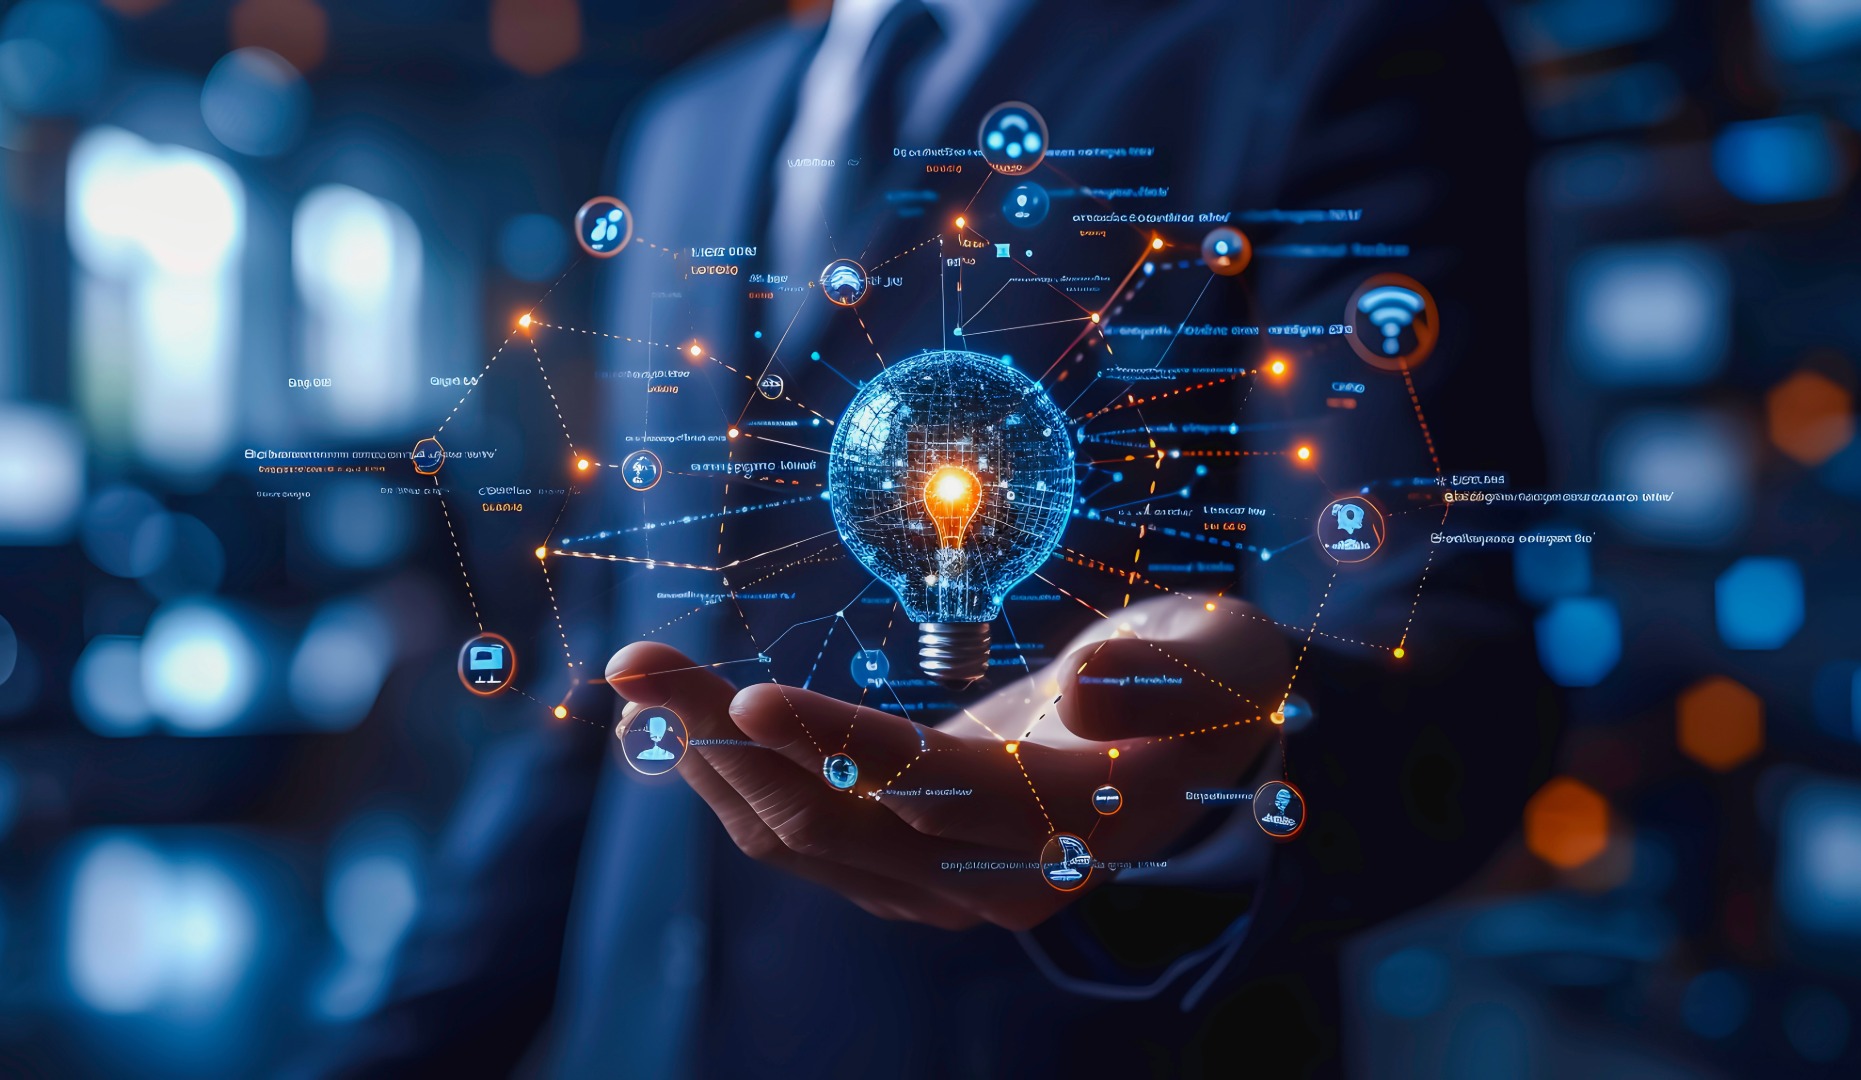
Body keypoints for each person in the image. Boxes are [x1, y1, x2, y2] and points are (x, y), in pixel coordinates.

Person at [311, 0, 1551, 1075]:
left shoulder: (1326, 44)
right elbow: (604, 677)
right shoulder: (686, 128)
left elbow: (1444, 660)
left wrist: (1226, 770)